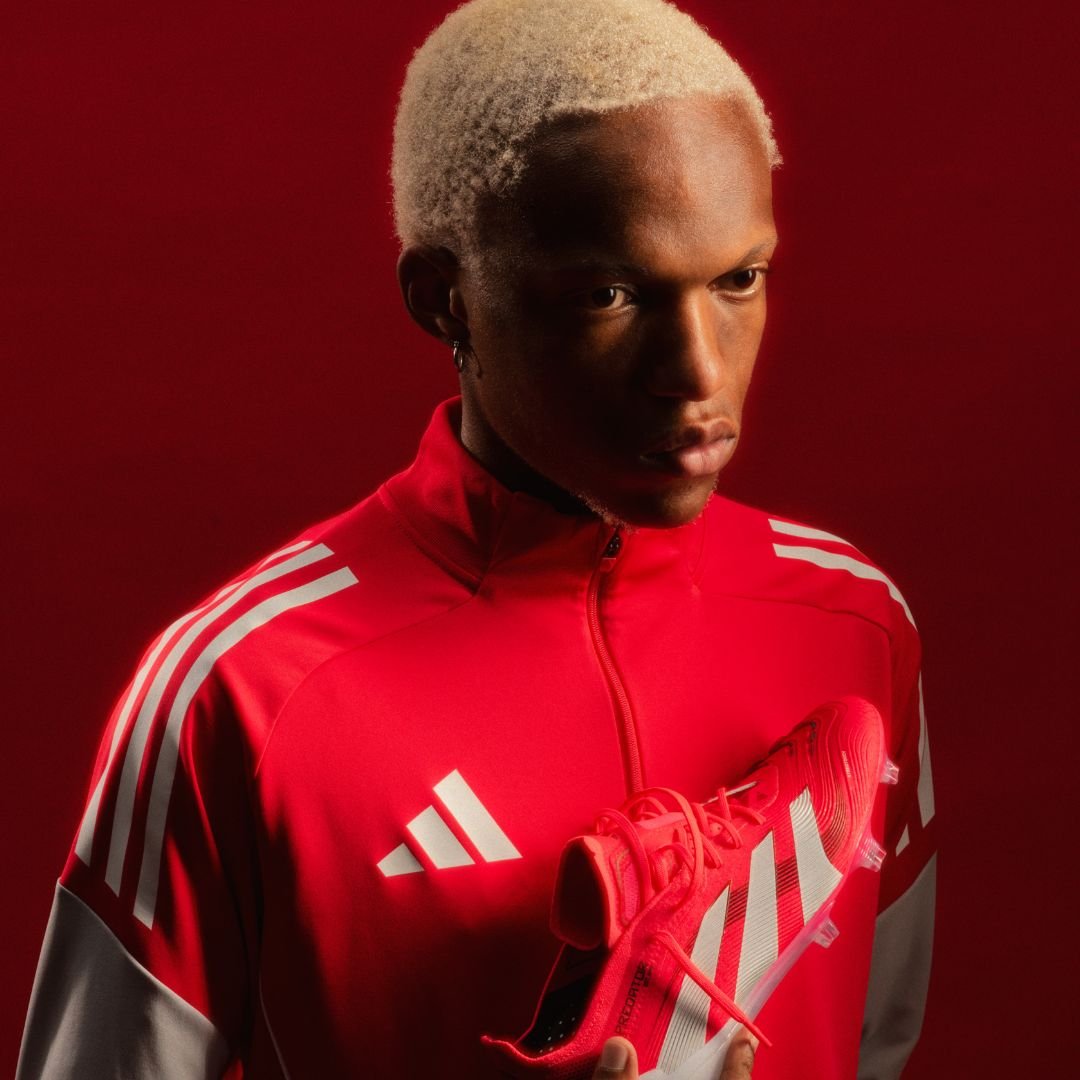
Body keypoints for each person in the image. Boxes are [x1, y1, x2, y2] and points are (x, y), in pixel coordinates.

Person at [17, 1, 936, 1077]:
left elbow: (875, 1043)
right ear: (443, 300)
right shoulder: (244, 692)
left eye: (739, 279)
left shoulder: (852, 624)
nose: (697, 369)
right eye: (609, 292)